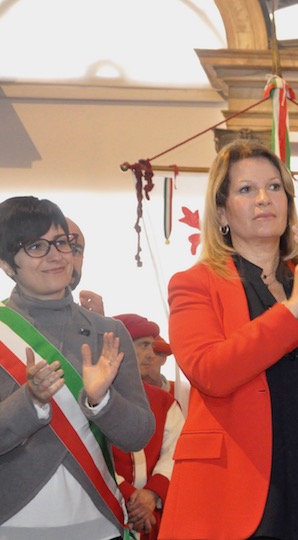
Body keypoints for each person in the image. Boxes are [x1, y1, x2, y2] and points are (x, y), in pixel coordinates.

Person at [159, 140, 298, 539]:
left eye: (275, 187)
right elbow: (211, 372)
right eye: (247, 190)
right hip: (232, 498)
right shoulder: (195, 284)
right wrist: (293, 306)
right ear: (222, 211)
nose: (264, 198)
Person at [0, 196, 153, 539]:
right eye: (36, 246)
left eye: (62, 242)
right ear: (7, 264)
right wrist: (32, 401)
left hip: (99, 521)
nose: (56, 255)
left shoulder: (109, 332)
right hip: (12, 522)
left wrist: (103, 401)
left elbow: (139, 434)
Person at [111, 313, 185, 540]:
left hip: (152, 516)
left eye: (153, 346)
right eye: (143, 345)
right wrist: (132, 498)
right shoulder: (96, 398)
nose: (151, 354)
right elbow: (91, 453)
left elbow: (176, 451)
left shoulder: (164, 401)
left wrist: (152, 494)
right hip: (108, 507)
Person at [66, 218, 105, 315]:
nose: (67, 259)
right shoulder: (23, 319)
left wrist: (98, 324)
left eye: (75, 251)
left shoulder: (111, 326)